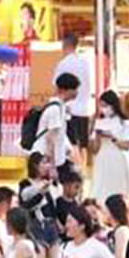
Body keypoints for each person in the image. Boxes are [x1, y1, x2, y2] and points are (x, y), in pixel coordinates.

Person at [54, 34, 94, 171]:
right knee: (83, 143)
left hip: (69, 109)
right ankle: (83, 169)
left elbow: (56, 86)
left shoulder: (63, 64)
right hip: (85, 108)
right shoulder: (85, 63)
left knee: (72, 143)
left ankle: (75, 169)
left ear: (65, 45)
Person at [88, 90, 129, 203]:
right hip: (102, 159)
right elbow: (94, 149)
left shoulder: (125, 123)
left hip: (117, 159)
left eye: (105, 105)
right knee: (100, 189)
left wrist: (112, 137)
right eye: (101, 105)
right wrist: (97, 135)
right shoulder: (99, 122)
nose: (103, 109)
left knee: (118, 189)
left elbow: (126, 146)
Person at [35, 74, 77, 177]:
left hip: (56, 158)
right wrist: (51, 164)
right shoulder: (55, 109)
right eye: (74, 89)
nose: (76, 93)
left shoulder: (61, 107)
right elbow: (51, 137)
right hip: (46, 158)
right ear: (64, 90)